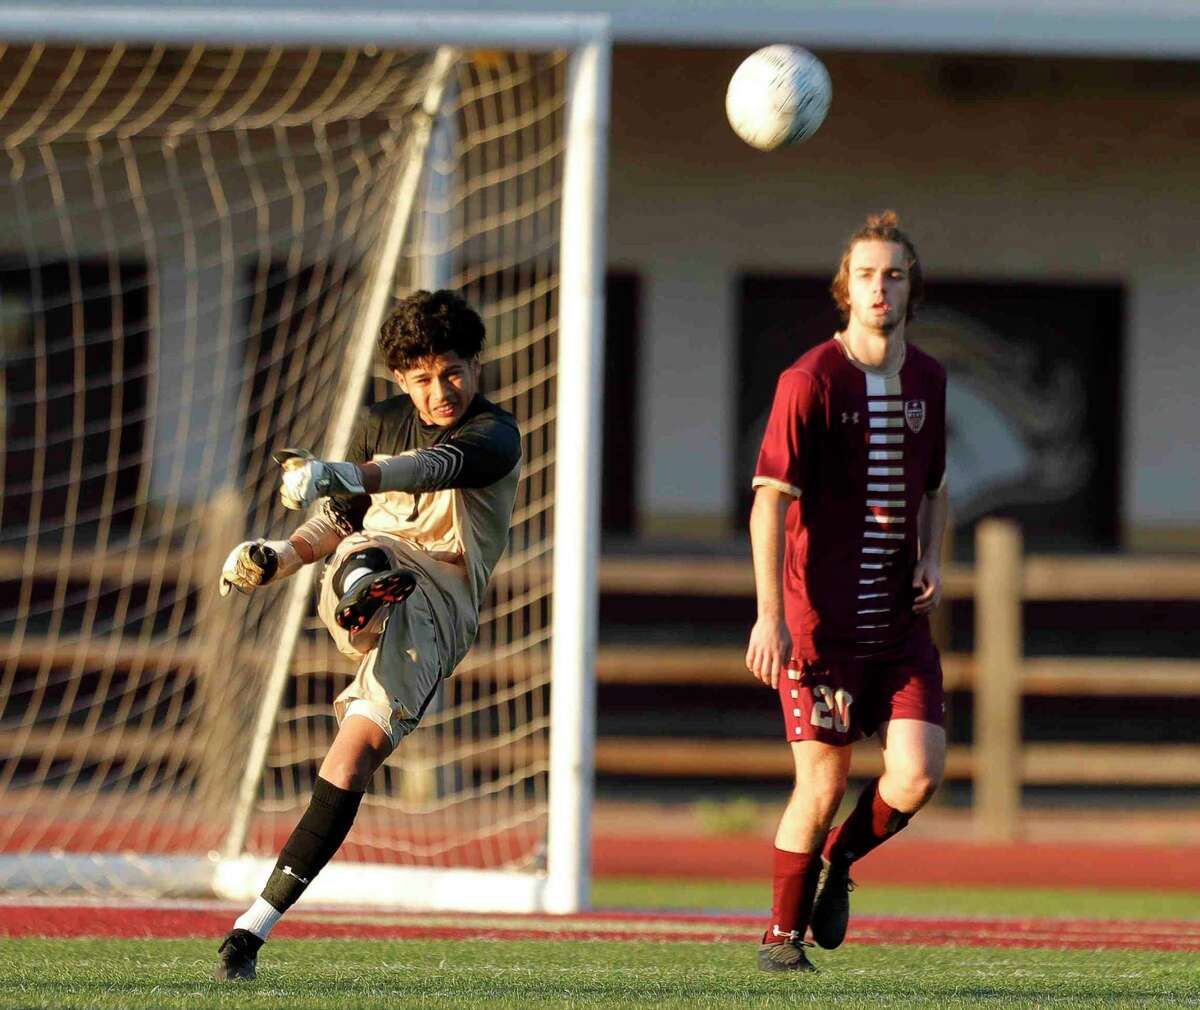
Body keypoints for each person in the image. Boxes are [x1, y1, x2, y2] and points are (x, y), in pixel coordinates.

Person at [213, 289, 521, 981]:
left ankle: (248, 932)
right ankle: (366, 600)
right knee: (368, 551)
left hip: (442, 602)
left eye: (452, 372)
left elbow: (435, 467)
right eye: (421, 379)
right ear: (398, 381)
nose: (440, 390)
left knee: (352, 760)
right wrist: (279, 557)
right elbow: (337, 519)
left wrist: (350, 473)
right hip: (373, 562)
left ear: (474, 364)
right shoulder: (377, 423)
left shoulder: (496, 434)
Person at [746, 211, 948, 973]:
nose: (880, 286)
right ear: (844, 290)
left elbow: (934, 486)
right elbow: (769, 500)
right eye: (866, 273)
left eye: (894, 273)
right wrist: (770, 617)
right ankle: (780, 938)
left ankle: (840, 861)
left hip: (898, 626)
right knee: (823, 779)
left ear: (910, 290)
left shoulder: (929, 378)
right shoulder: (809, 380)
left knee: (918, 774)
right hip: (819, 627)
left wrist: (932, 556)